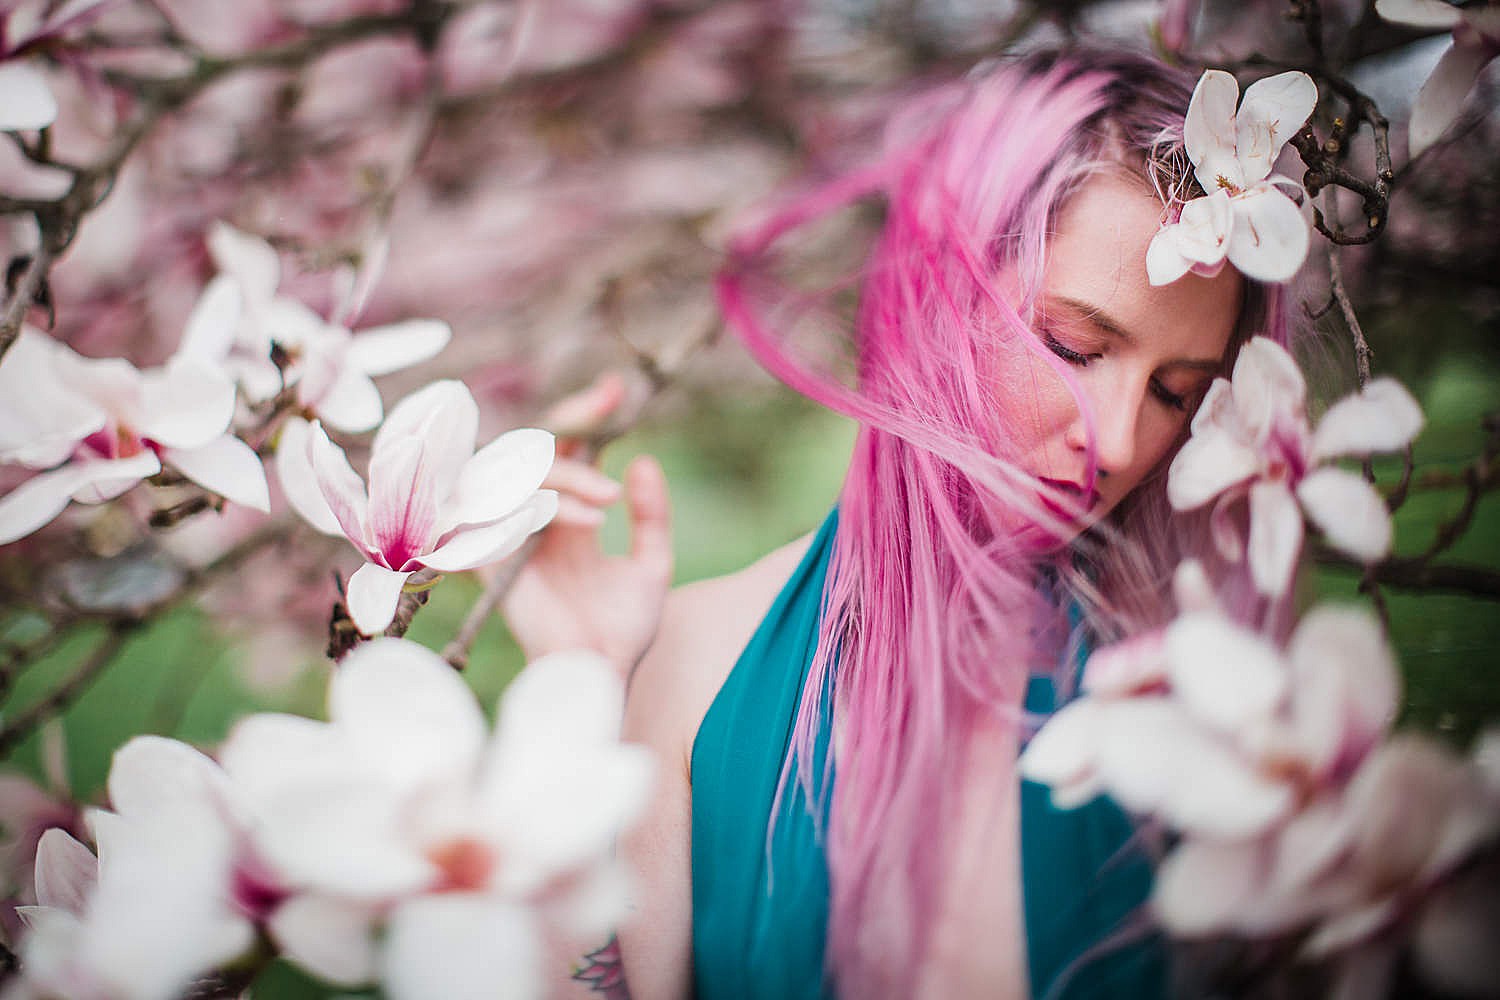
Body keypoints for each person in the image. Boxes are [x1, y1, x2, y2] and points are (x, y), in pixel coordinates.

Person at [504, 47, 1293, 1000]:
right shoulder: (705, 657)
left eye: (1176, 393)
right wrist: (577, 683)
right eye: (1072, 347)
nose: (1120, 443)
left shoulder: (1204, 684)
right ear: (938, 299)